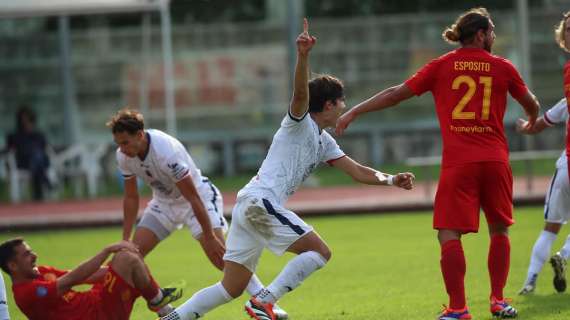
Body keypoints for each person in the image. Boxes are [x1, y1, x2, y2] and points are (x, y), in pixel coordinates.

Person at [159, 18, 415, 320]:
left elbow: (358, 171)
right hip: (260, 202)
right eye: (342, 102)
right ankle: (263, 302)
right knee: (320, 252)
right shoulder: (299, 122)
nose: (345, 106)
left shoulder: (325, 141)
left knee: (230, 287)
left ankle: (174, 318)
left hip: (250, 204)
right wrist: (303, 56)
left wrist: (391, 179)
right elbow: (299, 96)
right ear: (330, 104)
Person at [336, 7, 540, 320]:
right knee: (499, 229)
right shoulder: (503, 67)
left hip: (459, 163)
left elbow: (394, 95)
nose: (494, 36)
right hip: (495, 159)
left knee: (448, 233)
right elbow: (531, 103)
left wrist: (354, 112)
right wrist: (530, 120)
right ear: (481, 34)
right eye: (492, 31)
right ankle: (498, 300)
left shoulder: (442, 65)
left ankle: (458, 308)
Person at [107, 109, 288, 318]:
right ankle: (163, 307)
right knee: (130, 256)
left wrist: (209, 236)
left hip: (197, 198)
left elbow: (192, 197)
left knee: (222, 258)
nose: (122, 149)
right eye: (118, 143)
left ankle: (264, 302)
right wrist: (124, 240)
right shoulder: (123, 156)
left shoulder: (167, 152)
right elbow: (131, 198)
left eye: (125, 142)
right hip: (163, 204)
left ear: (139, 135)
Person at [0, 237, 183, 319]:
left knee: (128, 258)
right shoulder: (26, 293)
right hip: (98, 316)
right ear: (13, 266)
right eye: (26, 254)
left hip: (98, 304)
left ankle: (161, 305)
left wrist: (116, 271)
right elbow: (72, 278)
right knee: (124, 258)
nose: (34, 255)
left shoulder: (41, 271)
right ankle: (162, 306)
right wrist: (106, 251)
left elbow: (87, 276)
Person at [518, 11, 570, 295]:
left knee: (550, 227)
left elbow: (540, 124)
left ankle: (529, 282)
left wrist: (526, 127)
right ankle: (563, 257)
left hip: (565, 167)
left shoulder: (566, 89)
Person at [5, 106, 52, 201]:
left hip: (38, 162)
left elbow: (45, 148)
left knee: (37, 156)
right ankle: (45, 182)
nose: (25, 122)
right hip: (23, 162)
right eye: (23, 119)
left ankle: (39, 192)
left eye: (28, 119)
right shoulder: (15, 135)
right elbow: (8, 150)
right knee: (37, 158)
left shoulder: (38, 135)